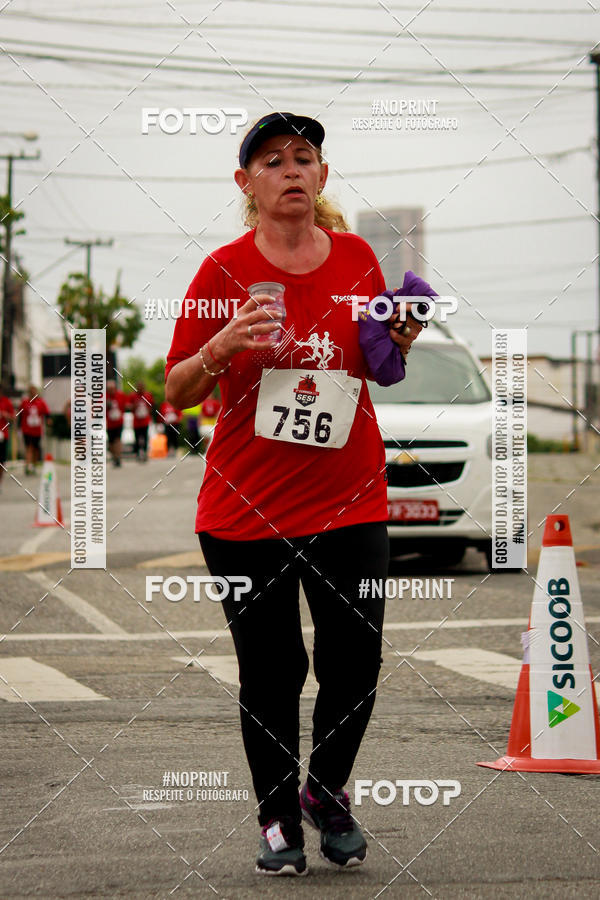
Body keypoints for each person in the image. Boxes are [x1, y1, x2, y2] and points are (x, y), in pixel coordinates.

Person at [165, 112, 423, 877]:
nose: (291, 169)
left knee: (356, 664)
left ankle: (326, 792)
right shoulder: (221, 272)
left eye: (303, 157)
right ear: (246, 183)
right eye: (272, 161)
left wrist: (397, 339)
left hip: (351, 501)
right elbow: (176, 388)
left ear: (322, 176)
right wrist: (219, 346)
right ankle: (278, 817)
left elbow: (377, 367)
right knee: (272, 673)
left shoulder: (355, 259)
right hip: (246, 514)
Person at [19, 385, 51, 475]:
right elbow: (20, 414)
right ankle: (28, 466)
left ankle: (34, 465)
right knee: (29, 447)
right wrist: (19, 427)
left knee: (35, 449)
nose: (33, 393)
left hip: (37, 430)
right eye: (31, 392)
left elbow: (47, 413)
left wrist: (48, 420)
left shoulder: (41, 403)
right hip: (26, 429)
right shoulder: (24, 402)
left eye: (34, 392)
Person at [129, 381, 153, 462]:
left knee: (145, 437)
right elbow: (128, 406)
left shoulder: (148, 395)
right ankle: (138, 453)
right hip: (136, 421)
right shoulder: (133, 396)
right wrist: (134, 406)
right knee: (137, 437)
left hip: (145, 420)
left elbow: (152, 405)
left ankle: (145, 453)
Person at [106, 380, 128, 467]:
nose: (111, 390)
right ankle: (114, 456)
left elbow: (125, 405)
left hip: (119, 422)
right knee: (111, 442)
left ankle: (118, 457)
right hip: (110, 423)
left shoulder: (120, 395)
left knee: (117, 440)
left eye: (112, 388)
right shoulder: (105, 397)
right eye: (109, 389)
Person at [0, 386, 16, 489]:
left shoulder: (6, 402)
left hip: (2, 435)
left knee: (1, 461)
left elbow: (13, 418)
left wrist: (5, 415)